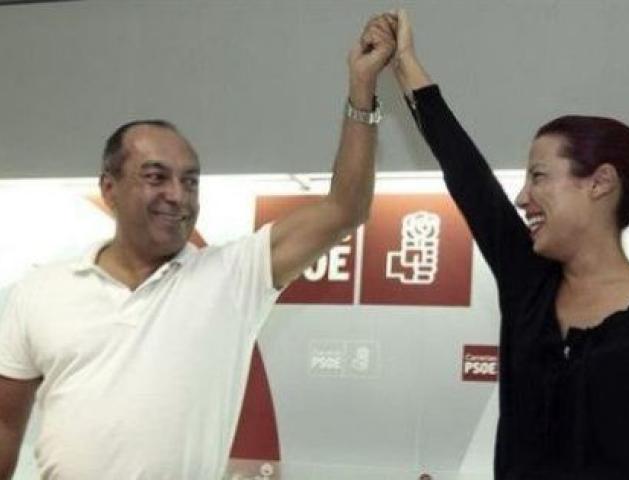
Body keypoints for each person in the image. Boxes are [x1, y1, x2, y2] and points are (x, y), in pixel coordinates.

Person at [0, 14, 397, 480]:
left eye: (190, 181)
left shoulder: (234, 276)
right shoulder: (39, 291)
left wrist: (361, 87)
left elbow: (345, 208)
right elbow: (5, 423)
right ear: (109, 188)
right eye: (156, 177)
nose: (177, 195)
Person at [390, 10, 629, 480]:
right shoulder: (529, 288)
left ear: (599, 183)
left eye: (539, 177)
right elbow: (470, 179)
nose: (522, 197)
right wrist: (405, 63)